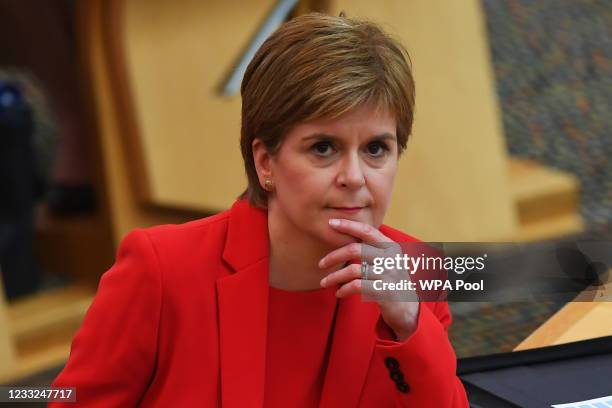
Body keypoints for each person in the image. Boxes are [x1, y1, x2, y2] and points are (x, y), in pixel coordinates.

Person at [50, 12, 469, 407]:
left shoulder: (418, 272)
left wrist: (409, 321)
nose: (355, 176)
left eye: (377, 148)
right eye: (324, 148)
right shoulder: (161, 270)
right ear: (265, 162)